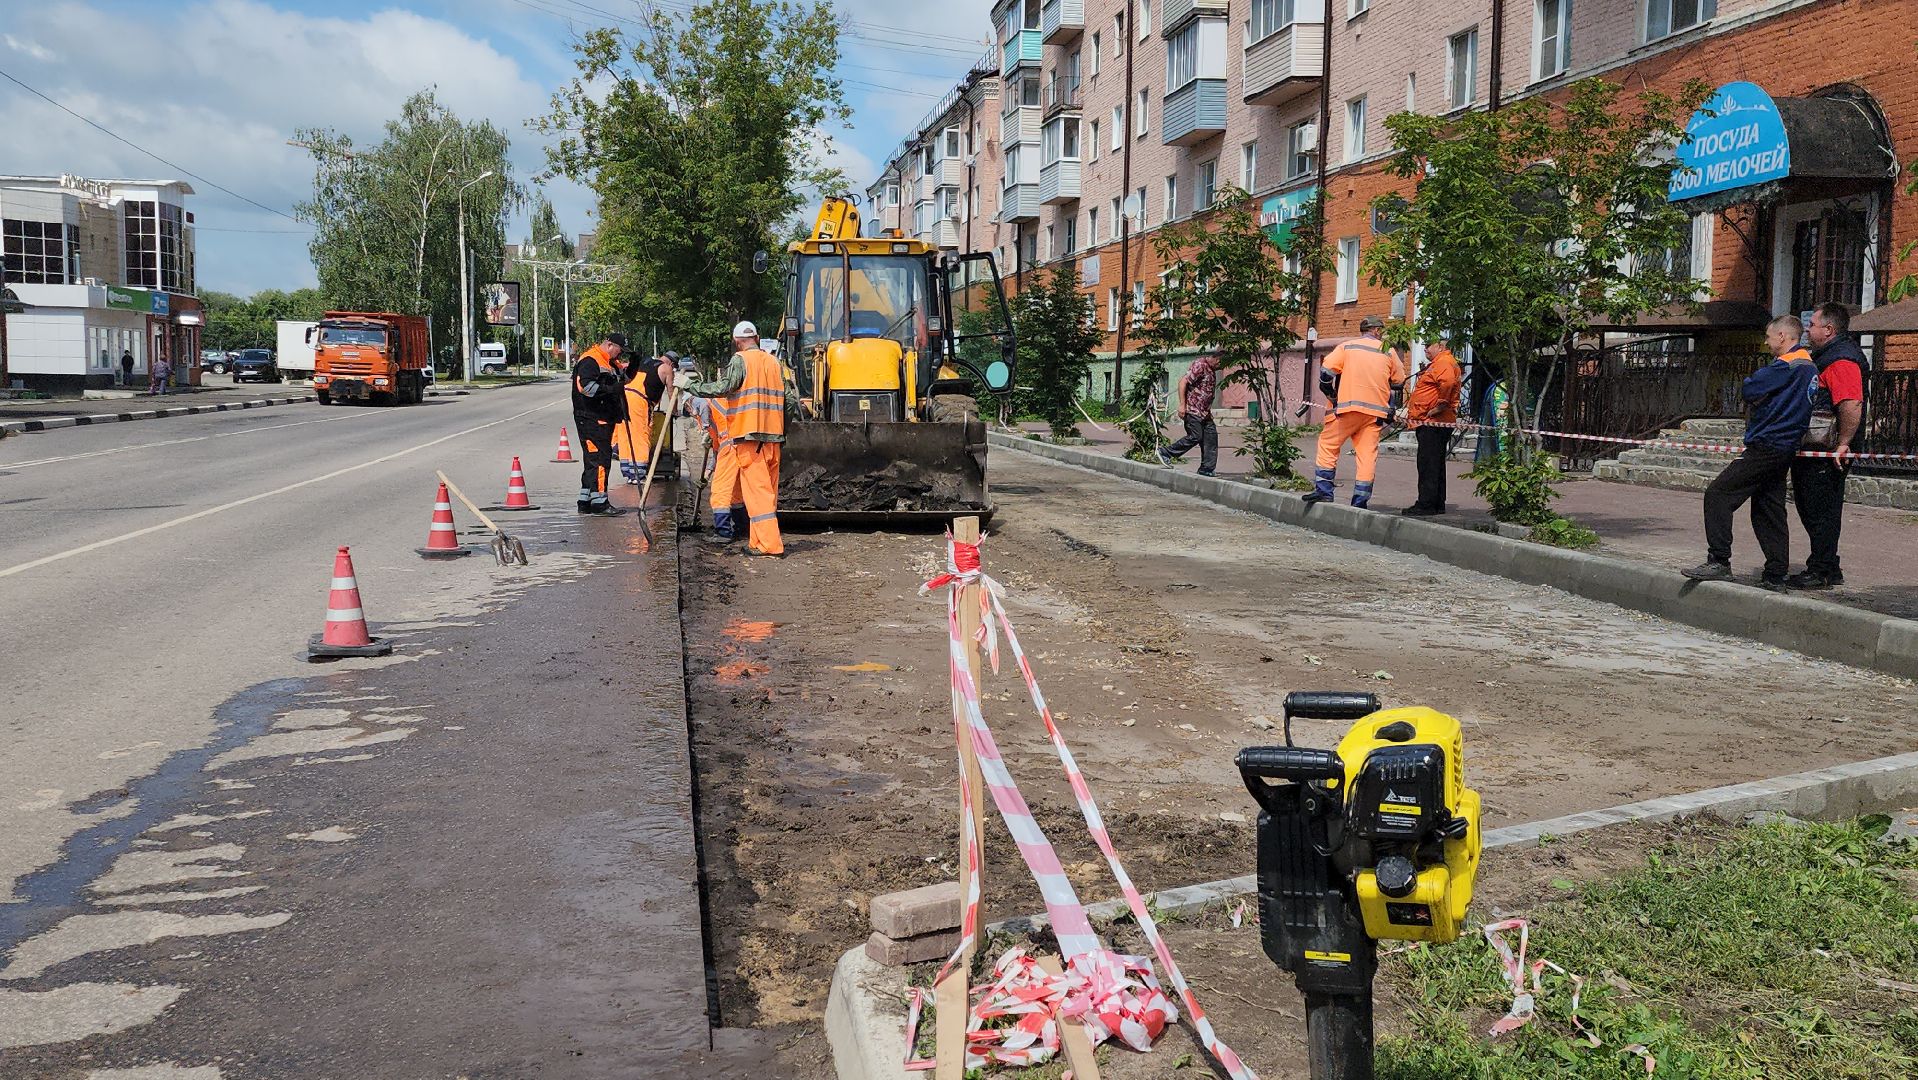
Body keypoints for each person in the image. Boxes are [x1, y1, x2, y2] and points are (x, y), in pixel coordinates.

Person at [1683, 315, 1818, 589]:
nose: (1767, 343)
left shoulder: (1788, 365)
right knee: (1768, 508)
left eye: (1769, 337)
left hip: (1768, 444)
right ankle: (1775, 573)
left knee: (1718, 494)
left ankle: (1719, 561)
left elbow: (1750, 387)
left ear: (1783, 336)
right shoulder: (1809, 367)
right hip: (1786, 446)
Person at [678, 321, 794, 556]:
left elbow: (724, 386)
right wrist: (782, 429)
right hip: (773, 439)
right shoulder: (773, 362)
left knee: (757, 494)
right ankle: (758, 542)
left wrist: (690, 385)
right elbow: (789, 401)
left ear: (736, 341)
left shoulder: (740, 361)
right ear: (758, 337)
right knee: (766, 493)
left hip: (749, 438)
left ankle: (770, 545)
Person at [1789, 302, 1868, 590]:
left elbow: (1851, 404)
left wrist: (1844, 444)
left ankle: (1820, 569)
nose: (1808, 329)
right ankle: (1829, 565)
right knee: (1812, 505)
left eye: (1812, 325)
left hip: (1828, 449)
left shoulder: (1841, 360)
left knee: (1820, 509)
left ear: (1829, 329)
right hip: (1818, 447)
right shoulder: (1828, 356)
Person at [1305, 315, 1407, 508]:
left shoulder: (1347, 347)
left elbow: (1326, 375)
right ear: (1376, 331)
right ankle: (1360, 502)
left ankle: (1324, 491)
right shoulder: (1389, 351)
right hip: (1376, 413)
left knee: (1328, 444)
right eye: (1381, 330)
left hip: (1347, 409)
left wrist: (1332, 396)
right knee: (1367, 455)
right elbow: (1399, 382)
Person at [1403, 336, 1463, 516]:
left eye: (1429, 345)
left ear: (1441, 346)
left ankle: (1426, 504)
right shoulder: (1441, 362)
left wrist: (1440, 405)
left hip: (1433, 422)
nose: (1426, 349)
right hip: (1433, 421)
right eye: (1424, 346)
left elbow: (1448, 383)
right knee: (1435, 463)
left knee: (1428, 463)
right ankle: (1436, 503)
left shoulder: (1443, 362)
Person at [571, 332, 629, 515]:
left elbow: (623, 378)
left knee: (592, 460)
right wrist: (611, 389)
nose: (620, 355)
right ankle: (600, 502)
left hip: (600, 417)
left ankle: (585, 499)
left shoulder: (609, 362)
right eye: (619, 350)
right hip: (592, 418)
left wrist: (631, 366)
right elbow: (586, 388)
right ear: (610, 345)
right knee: (601, 460)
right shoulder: (591, 360)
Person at [1157, 353, 1220, 476]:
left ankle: (1206, 468)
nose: (1221, 367)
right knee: (1196, 436)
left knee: (1211, 437)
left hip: (1205, 413)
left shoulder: (1211, 370)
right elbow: (1183, 382)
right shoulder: (1200, 365)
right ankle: (1166, 452)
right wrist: (1182, 405)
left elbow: (1205, 391)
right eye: (1220, 363)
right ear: (1215, 357)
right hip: (1192, 410)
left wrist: (1208, 410)